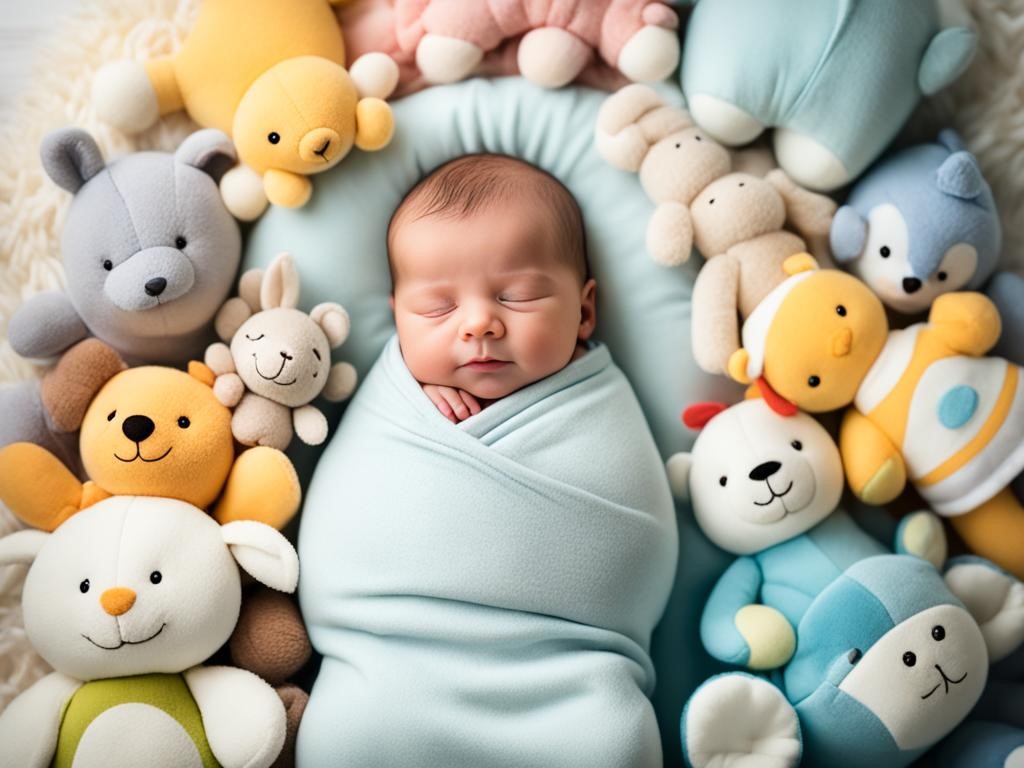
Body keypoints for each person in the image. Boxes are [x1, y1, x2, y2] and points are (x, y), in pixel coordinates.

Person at [387, 153, 597, 423]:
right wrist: (415, 402)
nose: (479, 324)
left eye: (517, 297)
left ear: (585, 312)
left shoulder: (593, 395)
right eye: (438, 308)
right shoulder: (397, 397)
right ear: (398, 322)